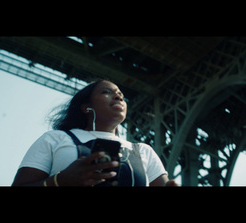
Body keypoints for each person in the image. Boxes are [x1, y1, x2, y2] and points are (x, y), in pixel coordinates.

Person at [12, 79, 178, 186]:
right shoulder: (55, 139)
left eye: (121, 95)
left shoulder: (144, 151)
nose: (118, 97)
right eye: (107, 92)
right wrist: (59, 181)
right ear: (86, 107)